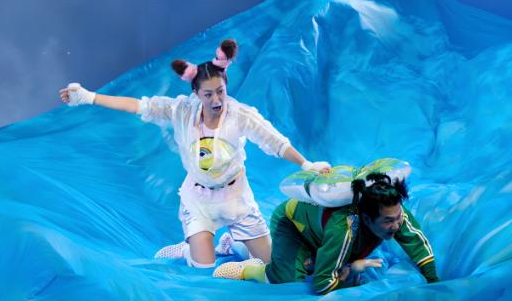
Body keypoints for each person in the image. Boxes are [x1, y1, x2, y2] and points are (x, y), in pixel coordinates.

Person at [59, 39, 330, 273]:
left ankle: (232, 242)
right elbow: (137, 106)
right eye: (208, 94)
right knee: (203, 268)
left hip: (236, 198)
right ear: (196, 93)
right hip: (199, 200)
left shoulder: (240, 115)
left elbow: (275, 142)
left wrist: (307, 164)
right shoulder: (182, 111)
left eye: (220, 91)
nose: (216, 100)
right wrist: (88, 97)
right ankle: (188, 247)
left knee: (272, 265)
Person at [214, 173, 439, 294]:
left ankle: (242, 245)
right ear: (366, 218)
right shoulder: (344, 228)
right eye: (389, 221)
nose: (397, 224)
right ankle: (246, 262)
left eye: (398, 217)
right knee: (285, 280)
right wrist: (352, 273)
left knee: (318, 263)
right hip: (293, 225)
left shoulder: (391, 209)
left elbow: (417, 244)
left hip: (321, 231)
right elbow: (322, 284)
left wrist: (433, 282)